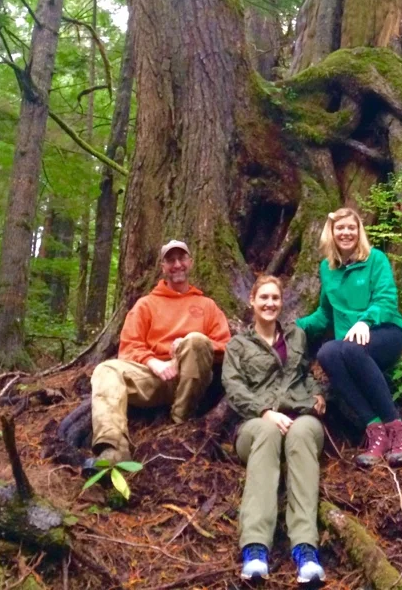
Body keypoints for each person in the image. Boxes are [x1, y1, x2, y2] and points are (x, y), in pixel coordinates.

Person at [222, 274, 326, 584]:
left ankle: (305, 549)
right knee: (267, 434)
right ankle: (255, 549)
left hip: (299, 419)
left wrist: (319, 393)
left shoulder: (296, 337)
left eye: (275, 298)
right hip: (255, 427)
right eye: (264, 298)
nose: (270, 303)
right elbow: (233, 385)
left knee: (303, 431)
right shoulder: (238, 345)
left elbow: (306, 374)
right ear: (251, 301)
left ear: (282, 303)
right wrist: (265, 412)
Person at [296, 207, 402, 468]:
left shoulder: (375, 259)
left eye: (351, 227)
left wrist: (366, 320)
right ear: (331, 233)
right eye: (340, 228)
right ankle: (375, 431)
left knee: (349, 349)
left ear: (359, 231)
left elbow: (387, 300)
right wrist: (291, 327)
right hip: (349, 347)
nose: (346, 232)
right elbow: (324, 315)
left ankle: (400, 430)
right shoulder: (327, 269)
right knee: (327, 352)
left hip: (384, 332)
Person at [90, 239, 231, 465]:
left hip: (192, 380)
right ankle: (113, 449)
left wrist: (187, 346)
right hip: (154, 378)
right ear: (163, 267)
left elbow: (225, 344)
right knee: (106, 369)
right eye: (170, 260)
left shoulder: (206, 305)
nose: (177, 265)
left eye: (181, 258)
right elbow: (129, 345)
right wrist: (153, 362)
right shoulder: (146, 304)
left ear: (191, 262)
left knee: (196, 340)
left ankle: (180, 421)